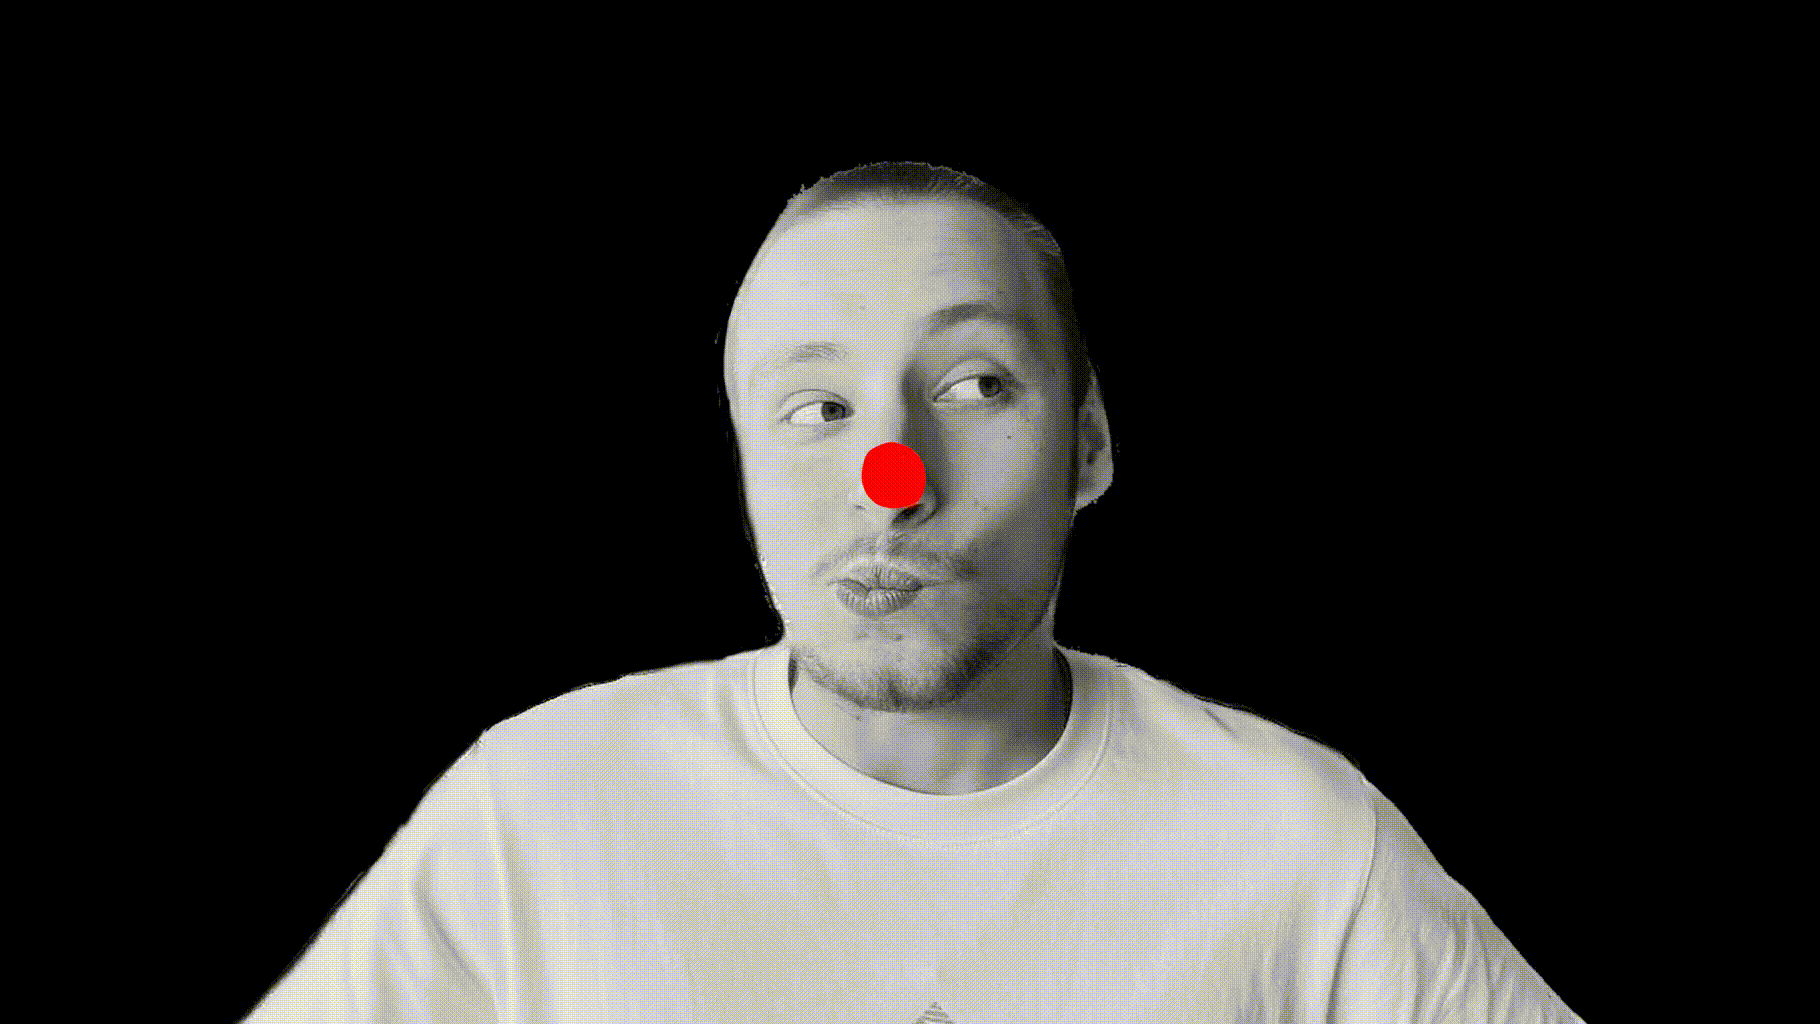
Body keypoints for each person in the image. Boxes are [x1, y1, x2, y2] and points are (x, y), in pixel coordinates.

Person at [243, 162, 1583, 1022]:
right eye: (816, 407)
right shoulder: (538, 811)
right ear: (745, 470)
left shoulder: (1299, 847)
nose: (892, 479)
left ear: (1090, 446)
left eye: (975, 386)